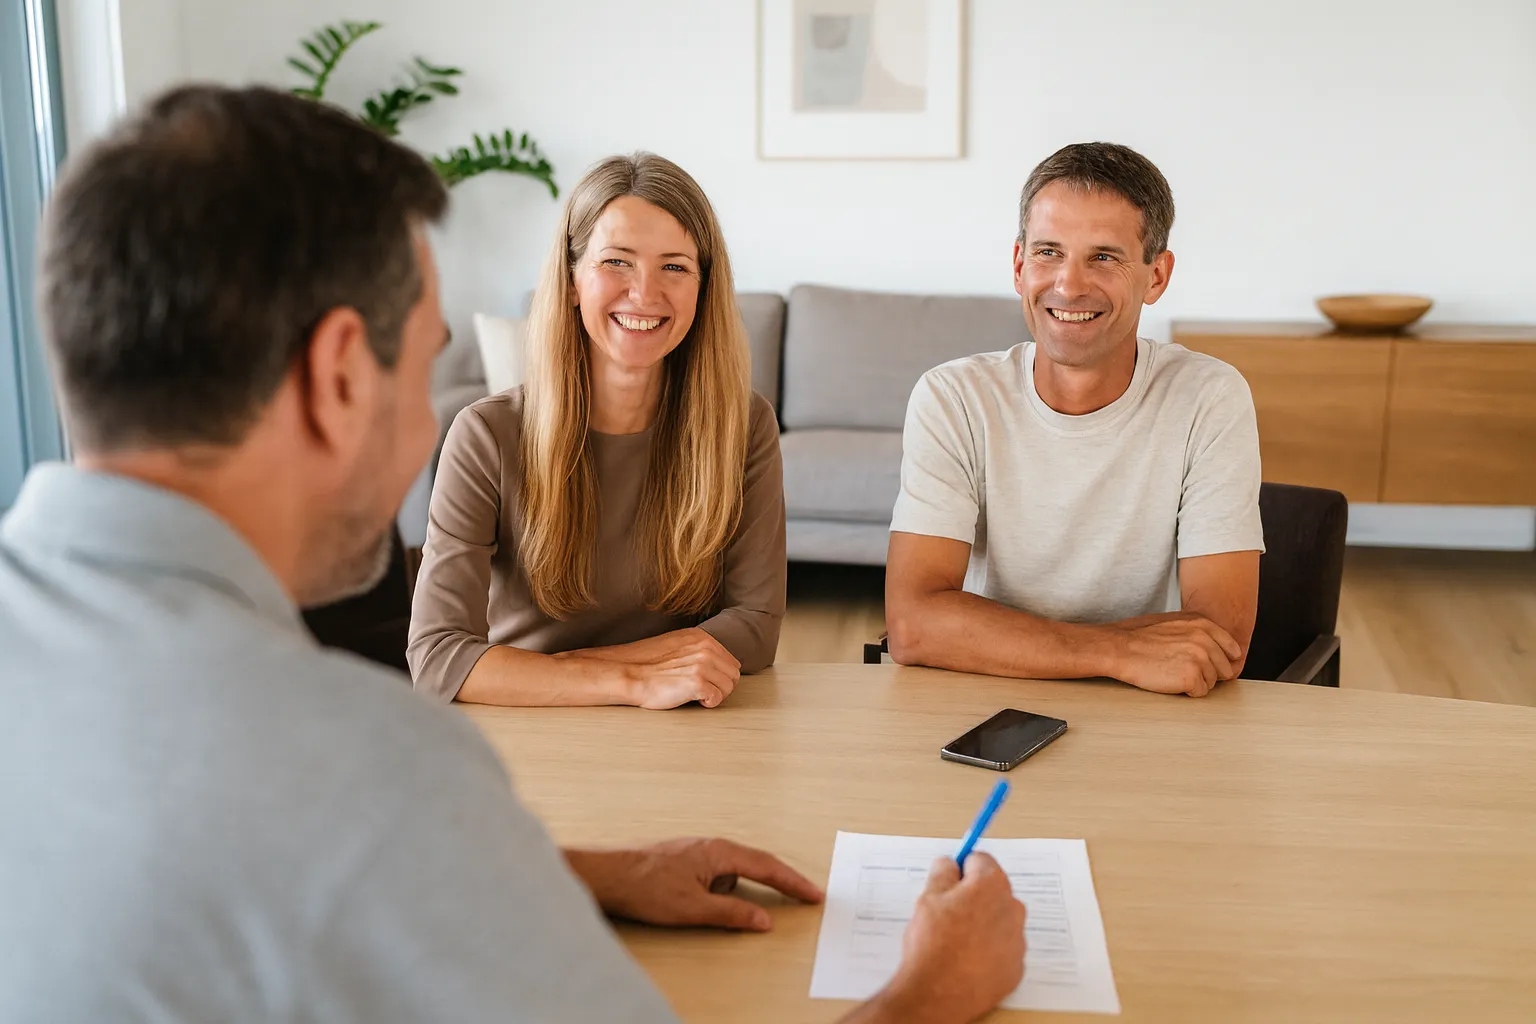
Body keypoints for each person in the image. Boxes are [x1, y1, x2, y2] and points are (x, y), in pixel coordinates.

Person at [0, 85, 1027, 1023]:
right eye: (423, 354)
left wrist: (573, 871)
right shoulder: (375, 771)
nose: (429, 422)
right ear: (340, 374)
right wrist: (933, 989)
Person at [885, 142, 1264, 697]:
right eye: (1048, 252)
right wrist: (1119, 652)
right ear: (1019, 265)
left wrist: (992, 637)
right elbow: (913, 627)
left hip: (1147, 708)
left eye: (1105, 257)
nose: (1069, 284)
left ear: (1156, 276)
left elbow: (1219, 637)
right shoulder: (953, 397)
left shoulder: (1209, 397)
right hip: (989, 700)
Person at [408, 153, 784, 709]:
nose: (645, 292)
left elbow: (754, 629)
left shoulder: (744, 425)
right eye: (617, 262)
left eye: (675, 267)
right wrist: (630, 683)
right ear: (573, 279)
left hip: (682, 724)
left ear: (704, 288)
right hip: (527, 726)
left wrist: (539, 671)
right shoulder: (485, 434)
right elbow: (439, 659)